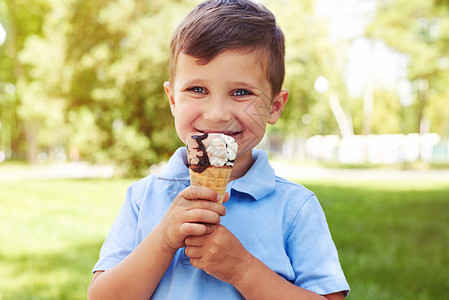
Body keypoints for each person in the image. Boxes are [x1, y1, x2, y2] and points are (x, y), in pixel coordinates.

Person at [88, 0, 350, 299]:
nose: (216, 114)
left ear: (274, 107)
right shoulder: (143, 198)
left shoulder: (295, 206)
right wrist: (162, 239)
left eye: (241, 93)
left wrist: (243, 269)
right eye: (197, 89)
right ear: (172, 99)